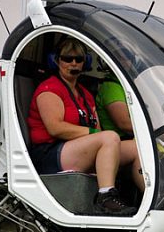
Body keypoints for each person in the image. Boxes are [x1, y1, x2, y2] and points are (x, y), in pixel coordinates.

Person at [26, 38, 141, 215]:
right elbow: (56, 128)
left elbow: (97, 127)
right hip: (50, 153)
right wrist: (92, 132)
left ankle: (151, 200)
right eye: (67, 58)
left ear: (85, 62)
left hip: (75, 151)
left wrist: (95, 133)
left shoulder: (85, 94)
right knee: (109, 137)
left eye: (78, 59)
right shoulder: (49, 89)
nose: (73, 63)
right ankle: (105, 197)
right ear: (56, 61)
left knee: (136, 148)